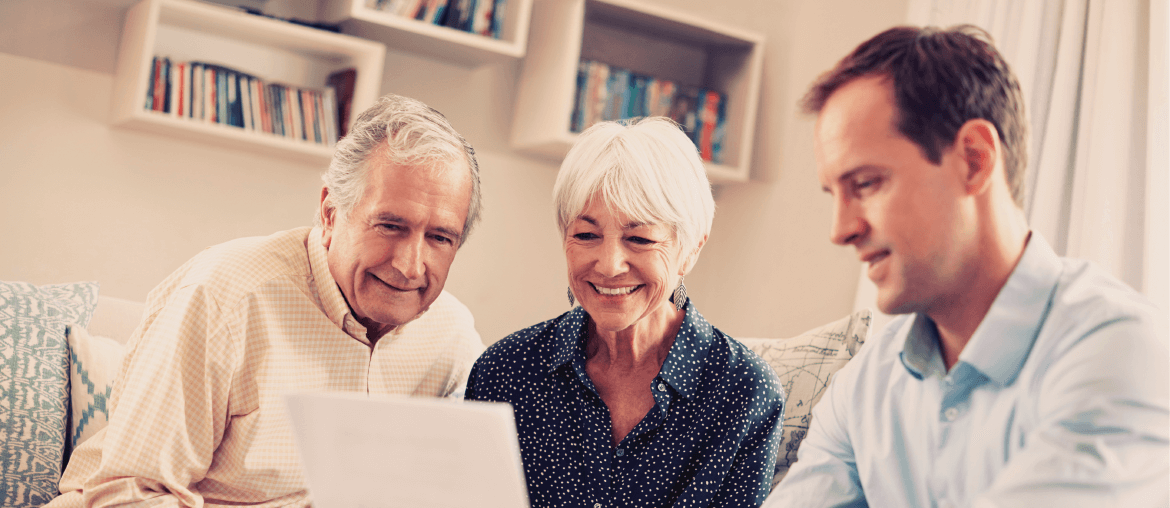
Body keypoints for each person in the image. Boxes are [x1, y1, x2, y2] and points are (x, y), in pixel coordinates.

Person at [765, 25, 1169, 507]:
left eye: (867, 184)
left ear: (974, 160)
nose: (840, 229)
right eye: (835, 194)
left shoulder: (1119, 351)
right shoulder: (867, 383)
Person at [51, 94, 486, 507]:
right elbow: (127, 494)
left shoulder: (451, 339)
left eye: (439, 238)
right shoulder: (225, 297)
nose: (411, 266)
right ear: (331, 212)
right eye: (390, 226)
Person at [465, 117, 785, 508]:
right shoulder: (504, 372)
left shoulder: (744, 391)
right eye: (586, 235)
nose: (610, 264)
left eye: (639, 238)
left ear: (690, 250)